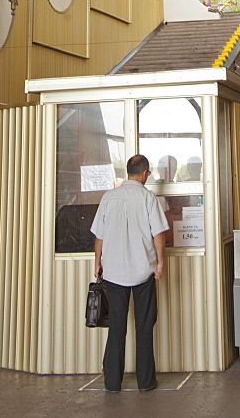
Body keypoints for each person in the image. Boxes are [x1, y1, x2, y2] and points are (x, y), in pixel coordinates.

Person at [92, 153, 169, 392]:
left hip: (114, 273)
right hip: (143, 272)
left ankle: (112, 381)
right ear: (145, 173)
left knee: (116, 327)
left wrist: (98, 262)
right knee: (144, 327)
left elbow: (99, 235)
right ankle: (146, 381)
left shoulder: (108, 198)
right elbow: (158, 234)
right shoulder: (147, 198)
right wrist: (160, 264)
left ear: (128, 171)